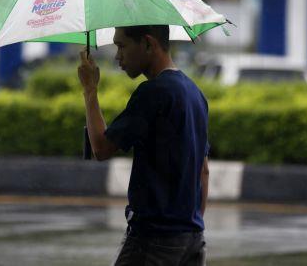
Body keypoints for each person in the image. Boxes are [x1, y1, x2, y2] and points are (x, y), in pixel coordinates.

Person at [78, 25, 210, 266]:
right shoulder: (195, 93)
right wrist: (190, 225)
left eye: (121, 46)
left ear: (148, 44)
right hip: (192, 238)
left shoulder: (154, 92)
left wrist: (90, 90)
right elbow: (203, 170)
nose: (118, 56)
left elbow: (101, 148)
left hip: (153, 239)